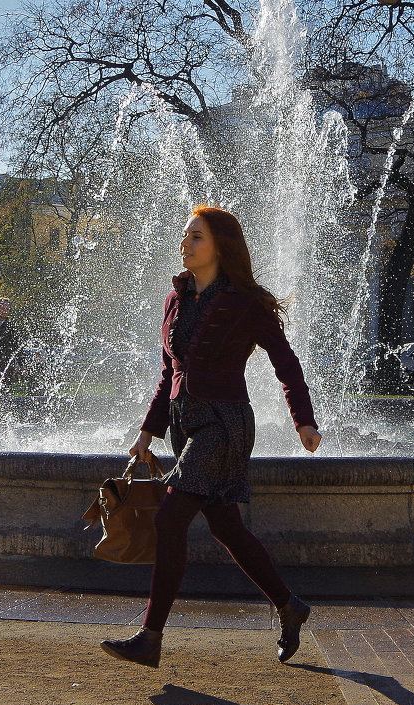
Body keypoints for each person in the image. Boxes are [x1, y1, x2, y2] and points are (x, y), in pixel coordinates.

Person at [101, 205, 322, 670]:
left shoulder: (246, 300)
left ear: (220, 245)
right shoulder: (175, 299)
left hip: (223, 425)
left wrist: (303, 420)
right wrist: (147, 432)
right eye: (184, 236)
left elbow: (286, 364)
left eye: (195, 237)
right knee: (226, 527)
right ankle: (289, 605)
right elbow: (169, 374)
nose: (184, 243)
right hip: (184, 424)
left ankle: (150, 637)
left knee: (169, 519)